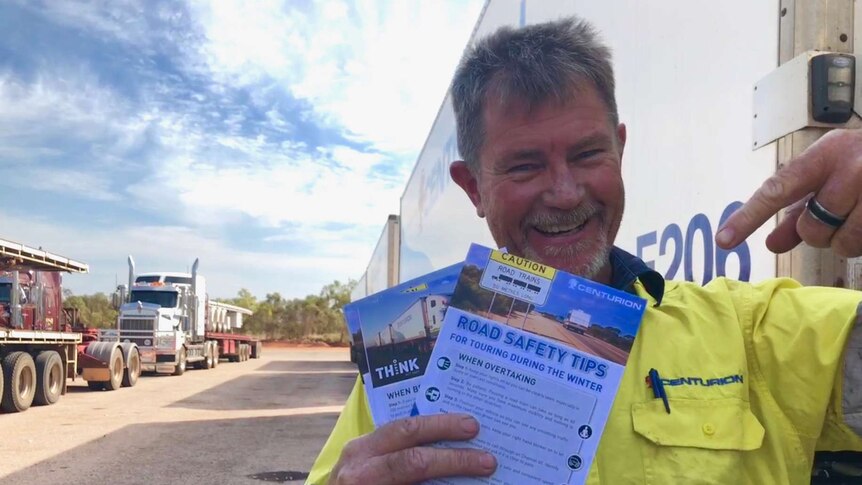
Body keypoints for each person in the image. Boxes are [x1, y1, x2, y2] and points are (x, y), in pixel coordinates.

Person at [308, 16, 862, 485]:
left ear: (619, 150)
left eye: (588, 153)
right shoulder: (408, 365)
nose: (566, 192)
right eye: (525, 165)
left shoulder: (750, 333)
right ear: (473, 186)